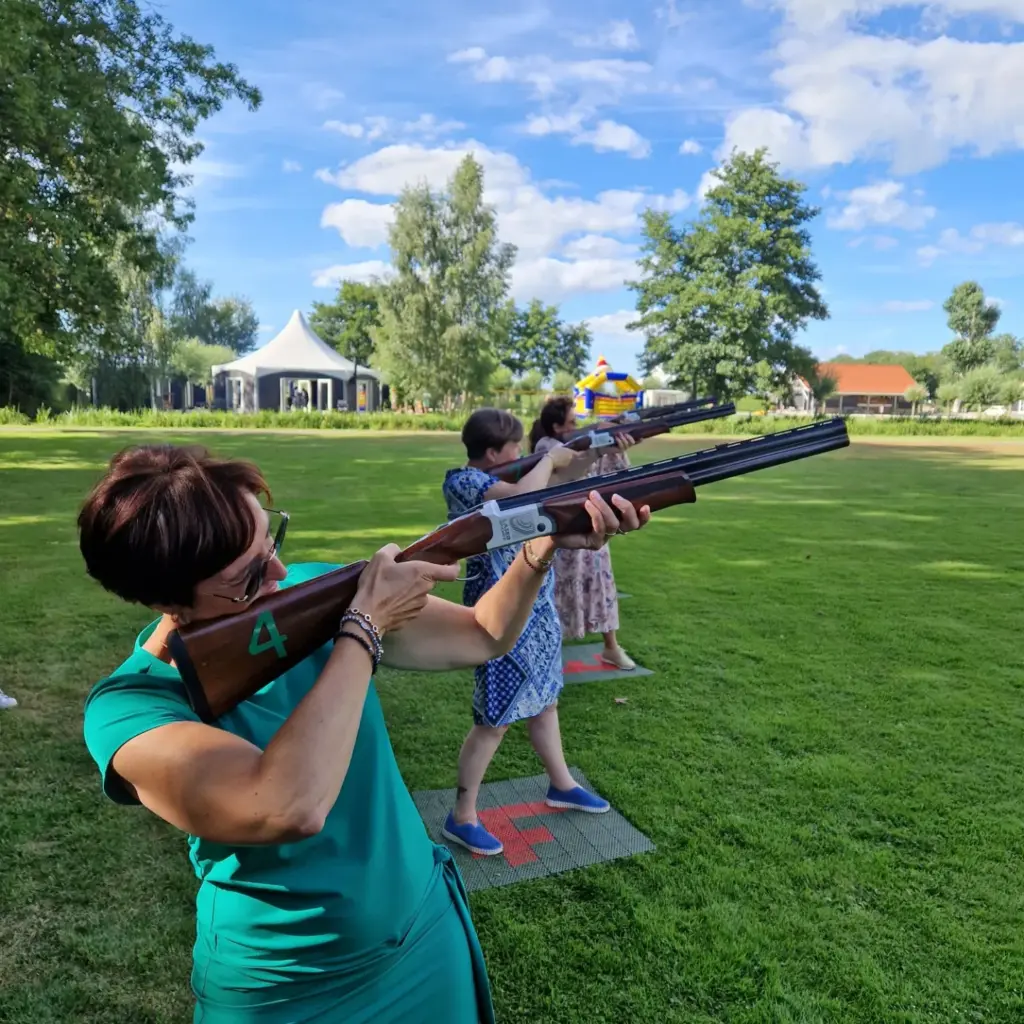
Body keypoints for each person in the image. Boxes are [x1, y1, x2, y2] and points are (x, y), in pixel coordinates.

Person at [77, 442, 650, 1023]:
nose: (280, 572)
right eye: (248, 575)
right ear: (167, 599)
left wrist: (539, 548)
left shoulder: (305, 597)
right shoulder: (132, 711)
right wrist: (362, 629)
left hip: (424, 930)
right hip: (289, 987)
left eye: (271, 541)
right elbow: (288, 805)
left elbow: (483, 636)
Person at [439, 409, 638, 857]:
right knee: (495, 718)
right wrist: (548, 459)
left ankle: (562, 784)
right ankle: (463, 815)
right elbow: (519, 502)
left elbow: (558, 491)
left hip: (537, 604)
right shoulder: (463, 482)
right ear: (493, 453)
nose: (522, 455)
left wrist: (589, 454)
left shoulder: (508, 477)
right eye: (515, 451)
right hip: (499, 613)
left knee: (546, 701)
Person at [530, 395, 636, 670]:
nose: (577, 426)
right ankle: (546, 653)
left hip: (590, 526)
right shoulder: (547, 447)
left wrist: (614, 446)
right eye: (572, 422)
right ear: (556, 427)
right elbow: (570, 469)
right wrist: (598, 444)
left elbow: (612, 477)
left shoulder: (575, 446)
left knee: (601, 587)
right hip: (563, 531)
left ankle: (611, 647)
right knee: (555, 595)